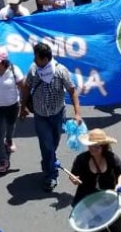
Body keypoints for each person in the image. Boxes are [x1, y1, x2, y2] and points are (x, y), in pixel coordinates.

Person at [20, 42, 82, 192]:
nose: (34, 60)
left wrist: (77, 113)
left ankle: (48, 162)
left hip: (58, 115)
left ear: (45, 58)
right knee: (47, 146)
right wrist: (23, 107)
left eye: (37, 57)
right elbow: (27, 88)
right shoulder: (33, 71)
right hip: (41, 117)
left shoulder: (61, 71)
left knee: (52, 144)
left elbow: (72, 90)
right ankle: (51, 175)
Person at [69, 129, 121, 232]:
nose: (92, 149)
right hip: (87, 200)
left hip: (106, 199)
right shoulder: (81, 159)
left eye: (96, 146)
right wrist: (73, 179)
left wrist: (119, 184)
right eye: (90, 146)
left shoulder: (112, 158)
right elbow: (73, 175)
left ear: (103, 146)